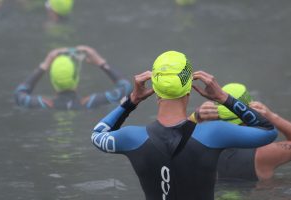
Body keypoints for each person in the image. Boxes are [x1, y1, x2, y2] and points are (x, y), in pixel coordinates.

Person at [91, 51, 277, 200]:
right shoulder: (213, 133)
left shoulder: (132, 138)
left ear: (155, 88)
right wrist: (223, 97)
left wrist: (131, 101)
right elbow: (268, 131)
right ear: (189, 87)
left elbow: (98, 133)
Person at [190, 83, 291, 181]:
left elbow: (174, 136)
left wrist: (196, 117)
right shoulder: (265, 153)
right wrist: (272, 117)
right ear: (252, 112)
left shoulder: (196, 149)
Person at [14, 45, 132, 110]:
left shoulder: (43, 104)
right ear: (76, 78)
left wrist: (44, 66)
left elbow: (19, 95)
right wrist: (101, 62)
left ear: (52, 80)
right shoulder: (90, 103)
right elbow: (126, 88)